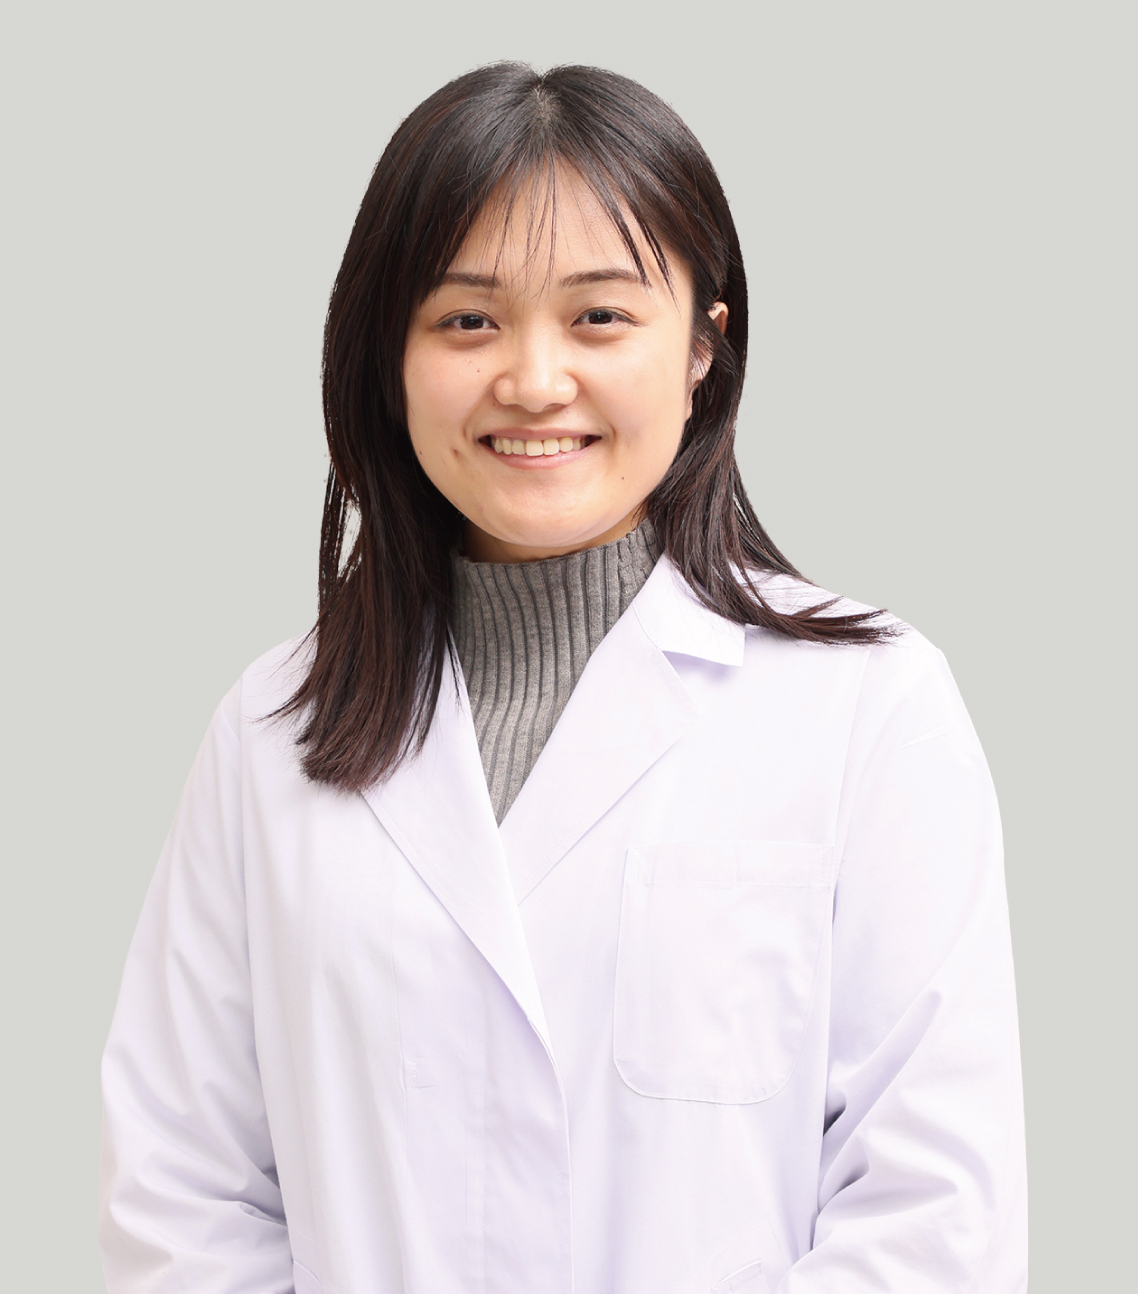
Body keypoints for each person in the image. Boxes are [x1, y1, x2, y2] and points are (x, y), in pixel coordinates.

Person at [99, 63, 1027, 1294]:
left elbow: (933, 1222)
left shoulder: (869, 708)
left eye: (598, 317)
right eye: (467, 321)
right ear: (389, 356)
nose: (534, 381)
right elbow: (183, 1195)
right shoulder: (270, 735)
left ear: (702, 348)